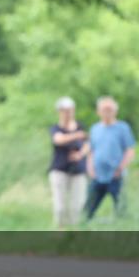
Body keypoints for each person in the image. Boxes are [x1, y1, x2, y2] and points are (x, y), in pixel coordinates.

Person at [84, 96, 136, 220]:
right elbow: (91, 151)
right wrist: (90, 168)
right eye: (104, 109)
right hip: (97, 176)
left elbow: (130, 150)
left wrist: (121, 168)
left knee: (121, 209)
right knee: (87, 211)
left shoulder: (122, 128)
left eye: (110, 109)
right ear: (98, 111)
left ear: (115, 111)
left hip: (115, 176)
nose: (107, 112)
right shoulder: (95, 129)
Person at [48, 97, 90, 228]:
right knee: (60, 207)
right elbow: (58, 140)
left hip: (78, 170)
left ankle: (74, 233)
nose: (67, 113)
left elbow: (88, 145)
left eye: (70, 110)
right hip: (60, 169)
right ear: (59, 112)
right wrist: (77, 135)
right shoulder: (55, 128)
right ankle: (60, 231)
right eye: (64, 110)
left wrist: (80, 155)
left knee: (77, 206)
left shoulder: (81, 126)